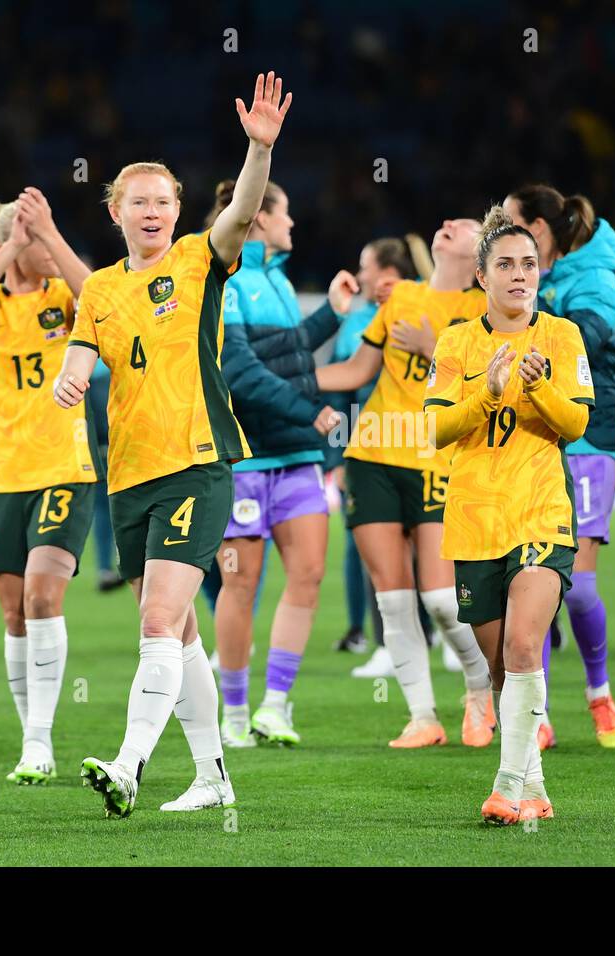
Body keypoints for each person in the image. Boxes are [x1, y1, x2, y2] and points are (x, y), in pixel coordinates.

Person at [54, 71, 291, 816]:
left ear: (179, 212)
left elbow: (245, 211)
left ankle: (129, 766)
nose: (153, 210)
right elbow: (83, 354)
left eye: (164, 200)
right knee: (179, 632)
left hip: (197, 462)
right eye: (140, 201)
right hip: (127, 476)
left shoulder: (198, 258)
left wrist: (258, 151)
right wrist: (69, 375)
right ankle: (214, 775)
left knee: (157, 620)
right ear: (116, 211)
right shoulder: (99, 289)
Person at [425, 206, 593, 824]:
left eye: (529, 264)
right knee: (501, 668)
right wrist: (488, 394)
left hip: (542, 512)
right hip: (474, 521)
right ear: (482, 277)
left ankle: (504, 788)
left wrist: (537, 387)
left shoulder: (562, 336)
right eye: (506, 265)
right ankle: (537, 788)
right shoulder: (457, 342)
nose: (520, 274)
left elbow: (576, 421)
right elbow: (435, 427)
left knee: (526, 646)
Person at [316, 218, 496, 749]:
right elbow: (354, 371)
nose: (445, 226)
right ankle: (422, 717)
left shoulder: (477, 311)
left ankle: (479, 689)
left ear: (478, 251)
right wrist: (277, 380)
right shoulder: (401, 296)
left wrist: (430, 346)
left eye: (460, 226)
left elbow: (490, 379)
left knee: (441, 598)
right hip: (372, 454)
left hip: (438, 457)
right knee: (392, 601)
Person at [0, 189, 97, 785]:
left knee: (41, 596)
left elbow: (101, 296)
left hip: (64, 464)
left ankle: (39, 742)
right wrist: (9, 244)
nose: (49, 251)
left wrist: (51, 236)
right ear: (15, 246)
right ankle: (30, 733)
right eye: (36, 239)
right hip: (2, 472)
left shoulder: (67, 294)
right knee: (13, 612)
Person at [207, 178, 353, 747]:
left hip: (295, 459)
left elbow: (285, 355)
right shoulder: (225, 278)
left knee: (308, 576)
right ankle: (236, 715)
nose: (292, 223)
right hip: (244, 458)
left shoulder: (279, 280)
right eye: (285, 212)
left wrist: (332, 316)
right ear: (260, 217)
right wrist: (309, 411)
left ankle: (275, 706)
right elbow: (239, 374)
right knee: (238, 588)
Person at [506, 183, 615, 750]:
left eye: (510, 220)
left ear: (539, 227)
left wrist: (530, 315)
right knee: (536, 585)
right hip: (528, 441)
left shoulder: (593, 275)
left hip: (587, 438)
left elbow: (591, 338)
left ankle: (599, 692)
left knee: (575, 588)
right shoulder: (522, 277)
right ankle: (539, 715)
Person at [324, 237, 414, 659]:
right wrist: (338, 454)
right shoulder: (357, 321)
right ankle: (365, 632)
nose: (360, 275)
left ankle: (442, 633)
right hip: (368, 447)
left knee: (432, 548)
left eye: (365, 265)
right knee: (366, 545)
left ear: (386, 272)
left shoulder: (427, 308)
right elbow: (345, 395)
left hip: (423, 444)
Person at [87, 356, 123, 592]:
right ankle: (127, 563)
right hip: (117, 449)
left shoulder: (86, 365)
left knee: (103, 509)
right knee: (120, 506)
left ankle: (105, 567)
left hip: (102, 449)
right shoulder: (112, 366)